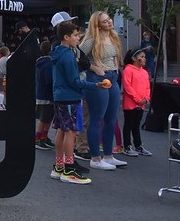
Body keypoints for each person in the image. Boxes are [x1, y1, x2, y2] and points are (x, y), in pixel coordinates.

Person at [50, 21, 108, 184]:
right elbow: (74, 81)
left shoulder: (58, 51)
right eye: (75, 35)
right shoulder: (68, 55)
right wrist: (95, 85)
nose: (78, 38)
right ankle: (68, 169)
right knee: (71, 132)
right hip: (70, 96)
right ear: (66, 37)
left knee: (61, 130)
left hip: (60, 96)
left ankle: (59, 166)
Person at [80, 11, 127, 171]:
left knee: (112, 118)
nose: (109, 22)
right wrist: (93, 67)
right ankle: (95, 158)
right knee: (97, 118)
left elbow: (115, 55)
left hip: (113, 76)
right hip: (97, 78)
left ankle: (108, 155)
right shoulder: (91, 40)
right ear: (97, 25)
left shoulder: (113, 36)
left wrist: (117, 69)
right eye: (105, 21)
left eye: (109, 19)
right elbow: (78, 56)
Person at [121, 48, 152, 157]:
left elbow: (148, 87)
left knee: (136, 125)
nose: (144, 59)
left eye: (144, 57)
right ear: (134, 58)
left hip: (141, 104)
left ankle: (138, 146)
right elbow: (127, 86)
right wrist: (138, 99)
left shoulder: (144, 72)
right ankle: (127, 146)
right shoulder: (128, 70)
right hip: (130, 104)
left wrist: (146, 99)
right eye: (141, 57)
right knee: (128, 125)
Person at [34, 40, 55, 150]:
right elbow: (49, 80)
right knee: (44, 118)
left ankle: (43, 137)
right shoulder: (49, 64)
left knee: (47, 117)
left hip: (41, 93)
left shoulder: (40, 63)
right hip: (47, 94)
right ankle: (38, 138)